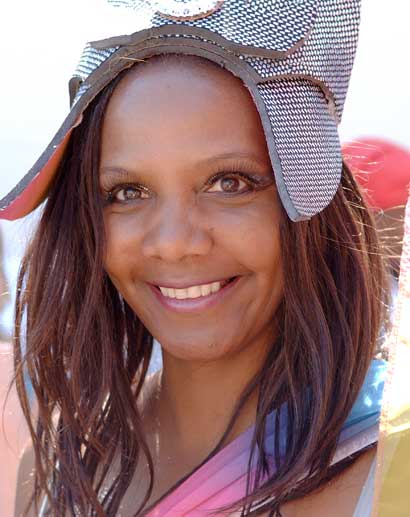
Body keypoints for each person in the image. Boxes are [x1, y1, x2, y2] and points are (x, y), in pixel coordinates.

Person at [1, 1, 389, 516]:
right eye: (128, 191)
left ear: (310, 208)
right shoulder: (57, 476)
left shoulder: (392, 465)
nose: (174, 242)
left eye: (229, 183)